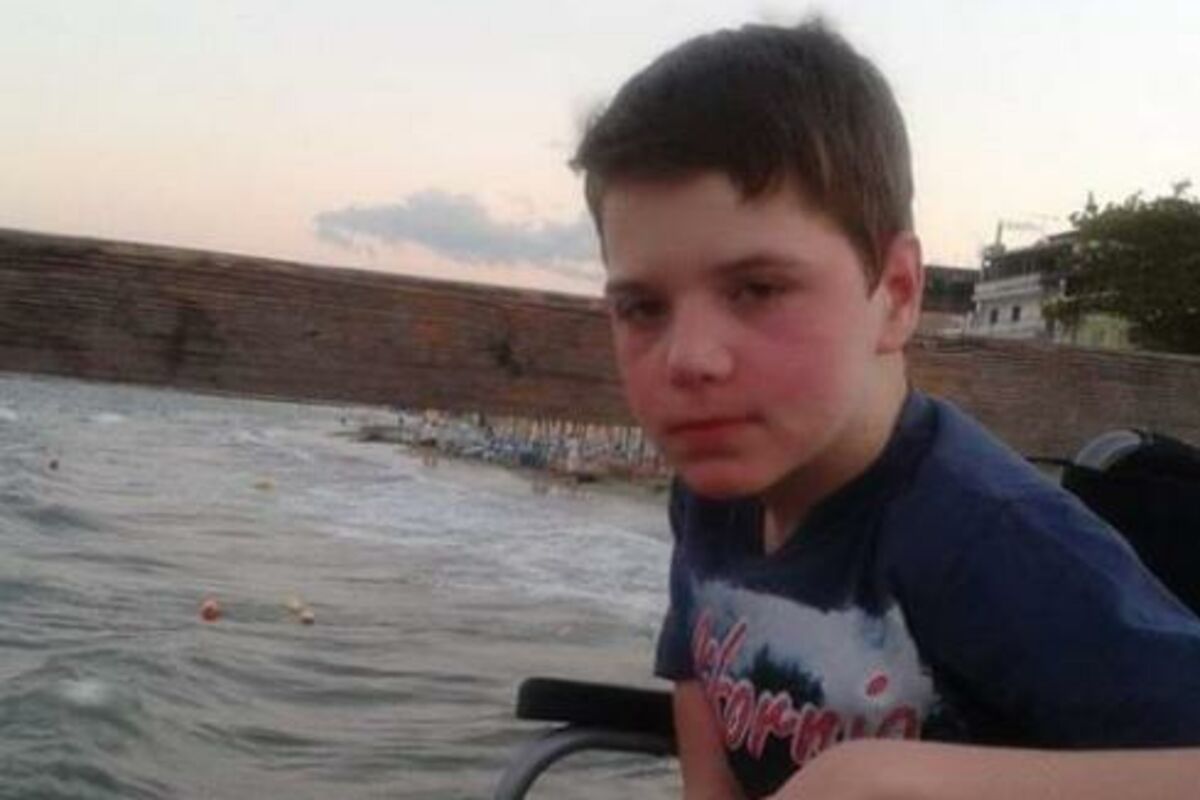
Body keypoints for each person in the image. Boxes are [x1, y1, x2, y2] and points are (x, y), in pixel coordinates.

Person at [570, 19, 1200, 800]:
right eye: (642, 307)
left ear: (897, 295)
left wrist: (888, 779)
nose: (688, 358)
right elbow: (700, 675)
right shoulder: (711, 494)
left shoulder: (993, 541)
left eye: (757, 289)